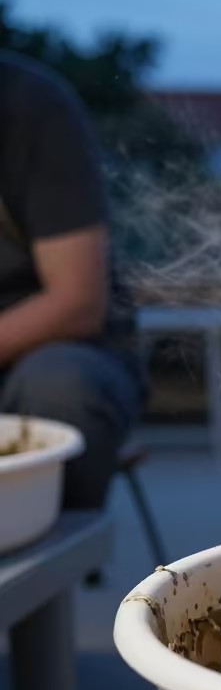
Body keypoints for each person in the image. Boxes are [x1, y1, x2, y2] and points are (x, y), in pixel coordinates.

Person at [0, 49, 145, 510]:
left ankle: (48, 561)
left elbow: (76, 302)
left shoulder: (29, 106)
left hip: (52, 356)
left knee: (61, 383)